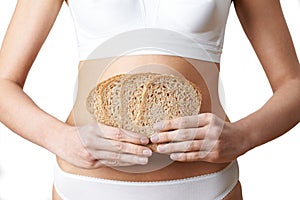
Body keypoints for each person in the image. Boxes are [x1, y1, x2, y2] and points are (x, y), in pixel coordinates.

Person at [0, 0, 299, 199]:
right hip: (87, 188)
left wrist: (244, 136)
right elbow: (4, 83)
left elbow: (293, 85)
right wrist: (61, 140)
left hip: (203, 189)